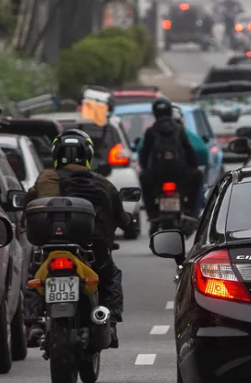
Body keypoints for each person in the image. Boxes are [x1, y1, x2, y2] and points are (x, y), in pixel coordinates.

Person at [24, 129, 132, 348]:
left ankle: (34, 324)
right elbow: (121, 217)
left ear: (55, 154)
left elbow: (28, 202)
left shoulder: (45, 178)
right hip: (93, 250)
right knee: (111, 276)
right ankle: (110, 323)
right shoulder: (103, 183)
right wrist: (129, 222)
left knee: (33, 277)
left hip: (49, 248)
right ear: (88, 155)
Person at [138, 98, 202, 228]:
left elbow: (144, 154)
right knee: (199, 176)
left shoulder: (151, 132)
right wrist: (193, 166)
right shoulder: (179, 129)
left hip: (157, 176)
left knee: (143, 178)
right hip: (180, 174)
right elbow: (189, 151)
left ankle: (152, 212)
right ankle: (191, 212)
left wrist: (145, 168)